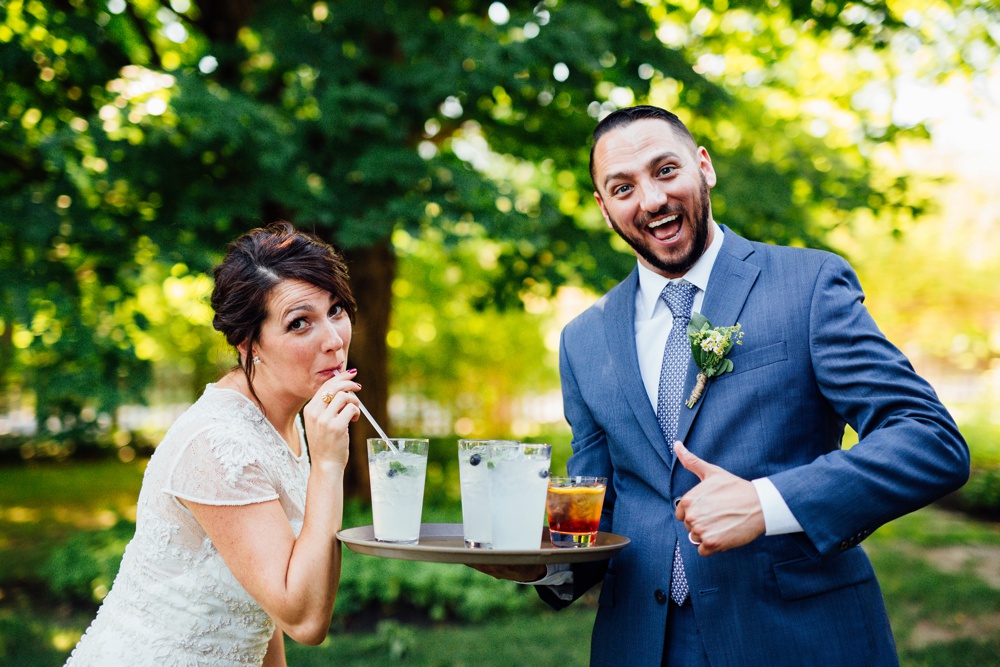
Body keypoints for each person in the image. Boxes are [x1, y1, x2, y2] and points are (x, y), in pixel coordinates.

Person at [479, 106, 970, 666]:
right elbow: (601, 509)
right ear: (603, 207)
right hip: (640, 647)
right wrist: (543, 563)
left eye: (665, 170)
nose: (652, 200)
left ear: (704, 167)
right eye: (622, 187)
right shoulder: (582, 339)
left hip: (797, 639)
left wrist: (766, 503)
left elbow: (931, 440)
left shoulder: (807, 285)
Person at [66, 222, 361, 666]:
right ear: (248, 342)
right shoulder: (218, 444)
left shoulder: (281, 420)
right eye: (299, 323)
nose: (334, 341)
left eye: (336, 310)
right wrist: (328, 467)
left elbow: (261, 599)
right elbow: (304, 621)